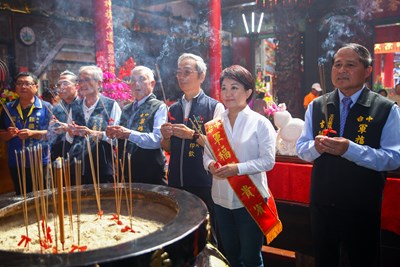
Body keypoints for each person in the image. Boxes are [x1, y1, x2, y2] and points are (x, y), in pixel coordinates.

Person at [296, 43, 400, 267]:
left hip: (362, 205)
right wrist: (317, 147)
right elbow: (302, 150)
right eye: (337, 65)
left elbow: (393, 157)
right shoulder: (317, 105)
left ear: (367, 71)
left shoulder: (385, 108)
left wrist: (350, 149)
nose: (341, 70)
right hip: (323, 204)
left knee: (362, 260)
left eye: (350, 65)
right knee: (325, 260)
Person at [203, 65, 279, 267]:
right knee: (230, 255)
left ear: (248, 92)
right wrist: (210, 165)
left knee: (251, 257)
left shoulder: (261, 123)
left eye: (234, 87)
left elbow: (268, 161)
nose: (228, 93)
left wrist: (238, 168)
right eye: (224, 87)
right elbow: (207, 155)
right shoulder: (214, 125)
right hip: (221, 199)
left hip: (250, 198)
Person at [160, 53, 225, 246]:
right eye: (179, 72)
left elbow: (217, 148)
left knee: (207, 236)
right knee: (180, 235)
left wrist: (192, 136)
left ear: (201, 76)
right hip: (176, 182)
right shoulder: (172, 109)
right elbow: (167, 148)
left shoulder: (214, 107)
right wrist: (165, 137)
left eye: (187, 72)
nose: (181, 77)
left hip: (202, 182)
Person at [106, 66, 167, 185]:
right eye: (133, 80)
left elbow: (157, 140)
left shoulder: (159, 106)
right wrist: (112, 133)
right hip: (126, 172)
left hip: (150, 173)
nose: (136, 84)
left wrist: (128, 134)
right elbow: (118, 138)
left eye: (142, 79)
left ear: (152, 83)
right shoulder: (127, 109)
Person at [0, 72, 52, 195]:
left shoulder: (47, 107)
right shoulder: (7, 108)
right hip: (16, 162)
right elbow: (1, 132)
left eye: (27, 84)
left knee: (43, 198)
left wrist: (32, 133)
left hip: (40, 162)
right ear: (15, 87)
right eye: (19, 84)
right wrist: (8, 134)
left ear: (36, 87)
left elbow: (53, 133)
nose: (23, 87)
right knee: (21, 197)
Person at [69, 65, 121, 185]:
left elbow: (117, 138)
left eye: (87, 79)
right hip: (77, 166)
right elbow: (69, 138)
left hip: (102, 166)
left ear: (99, 83)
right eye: (80, 80)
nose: (82, 84)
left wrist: (94, 134)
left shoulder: (110, 105)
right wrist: (70, 131)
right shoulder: (74, 106)